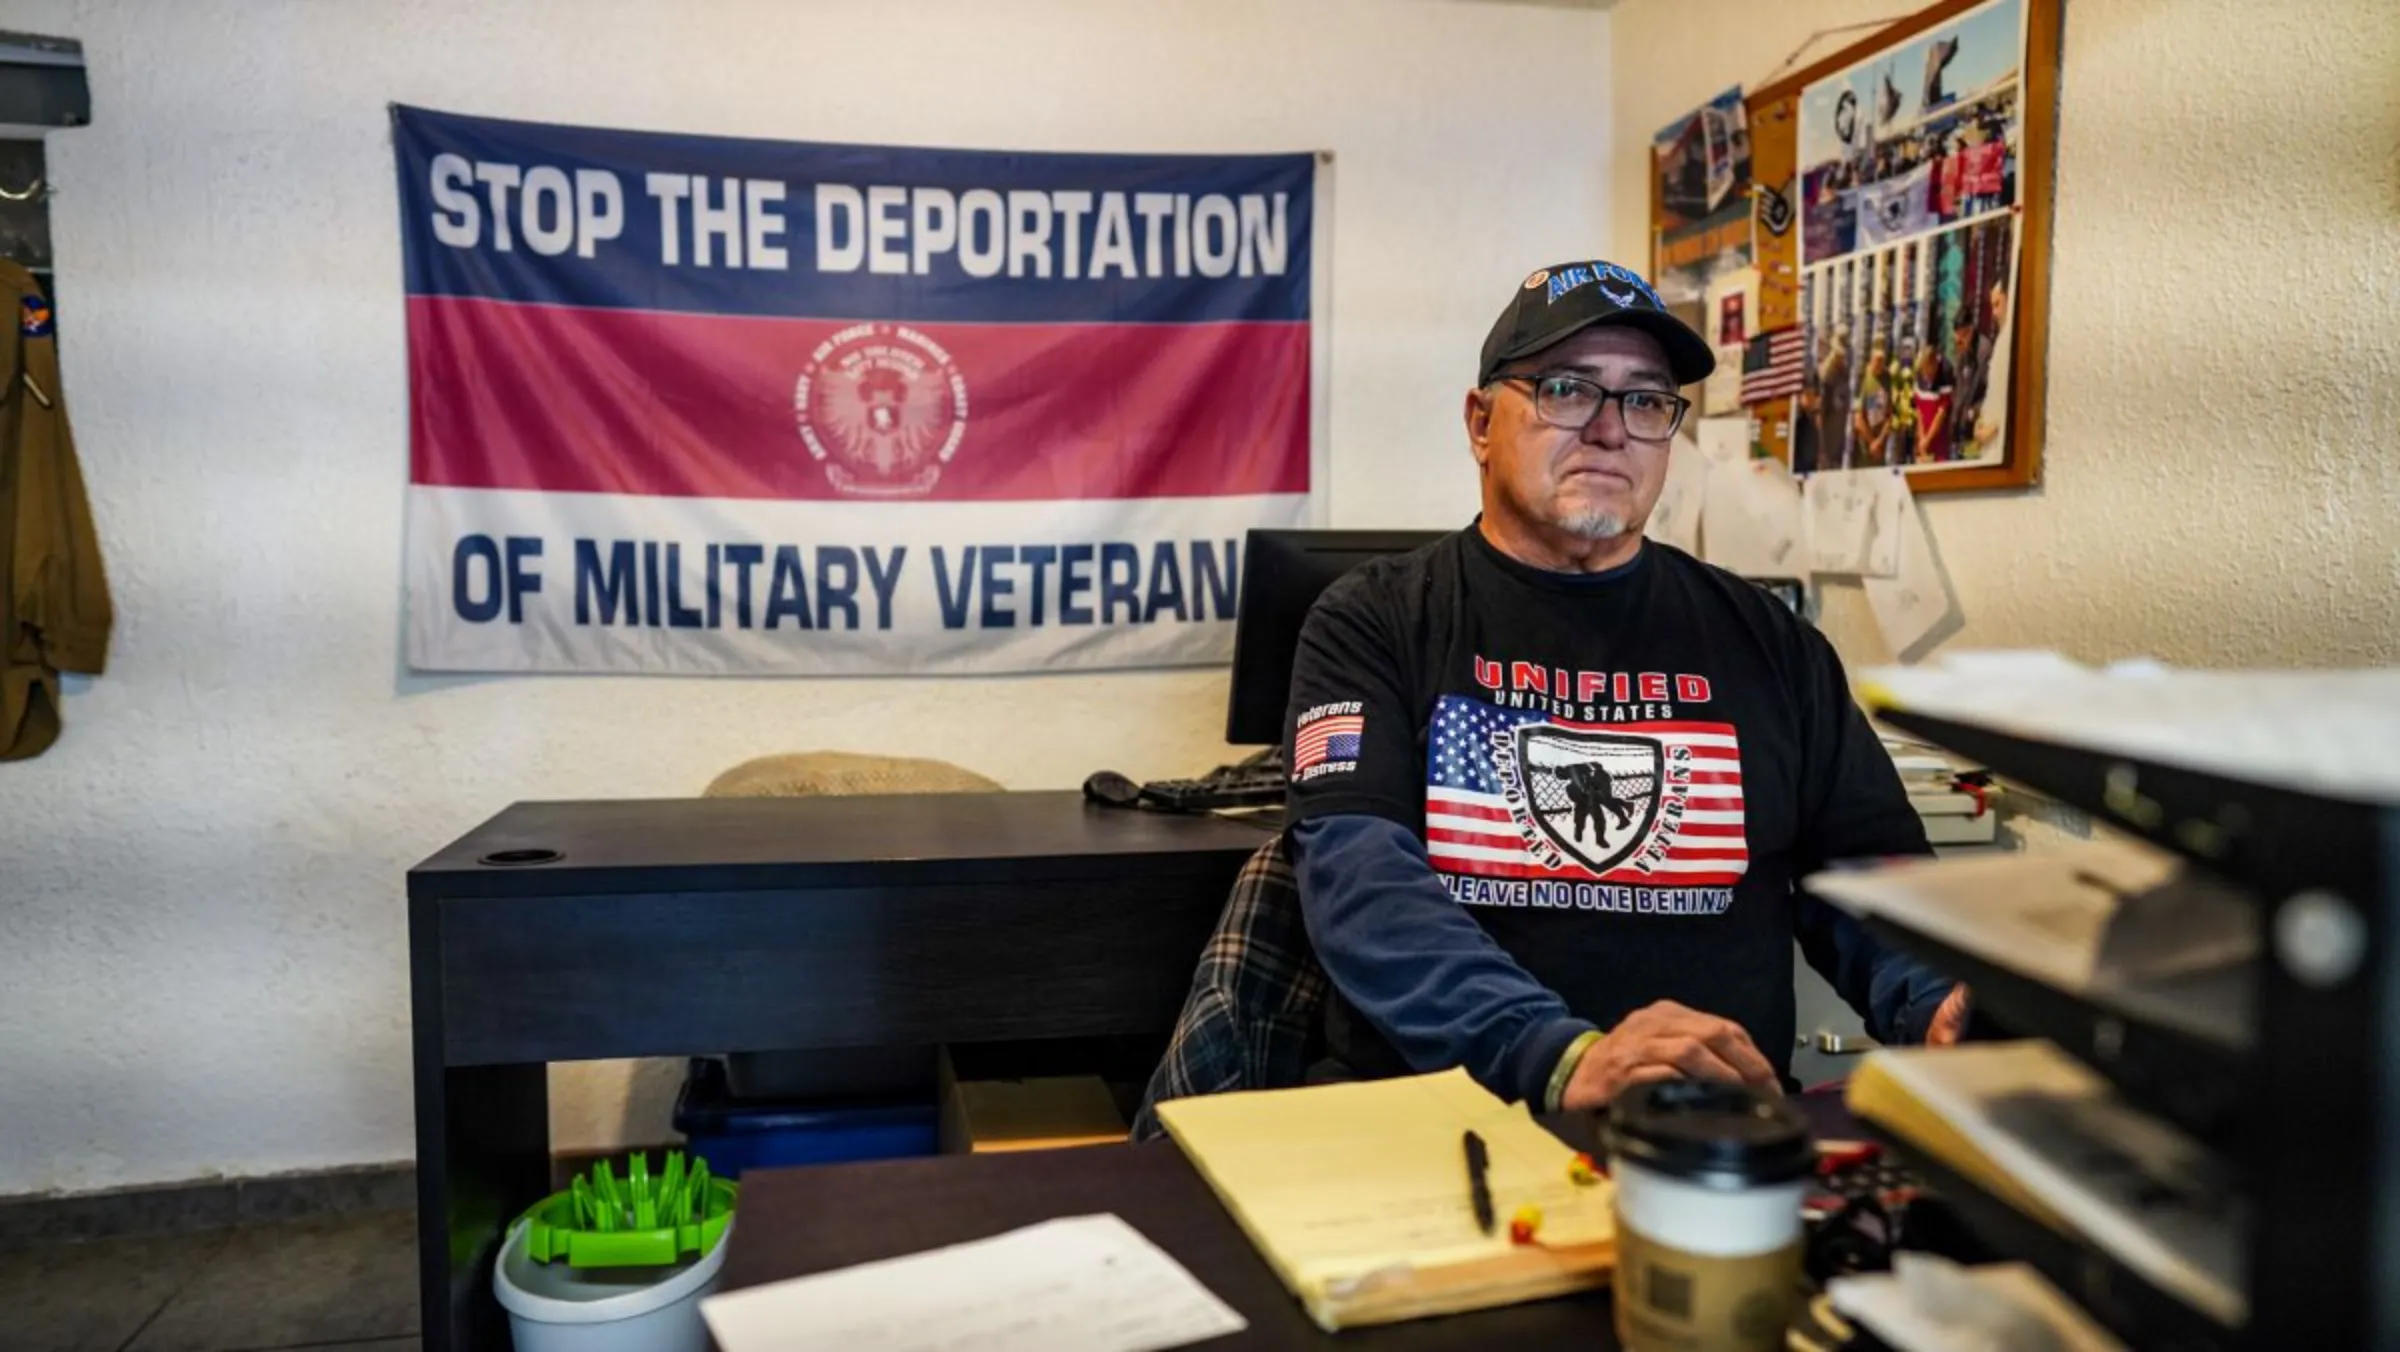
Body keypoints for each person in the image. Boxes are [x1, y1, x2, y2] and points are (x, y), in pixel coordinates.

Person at [1282, 259, 1966, 1114]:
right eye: (1568, 390)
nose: (1610, 430)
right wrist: (1559, 1057)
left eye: (1645, 401)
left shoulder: (1771, 642)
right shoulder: (1375, 619)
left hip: (1714, 1127)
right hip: (1441, 1121)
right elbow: (1364, 887)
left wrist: (1940, 1000)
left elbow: (1869, 875)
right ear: (1480, 422)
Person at [1913, 338, 1957, 463]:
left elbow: (1941, 414)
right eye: (1924, 373)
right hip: (1924, 438)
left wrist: (1928, 439)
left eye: (1929, 373)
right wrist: (1922, 438)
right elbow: (1919, 410)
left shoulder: (1946, 371)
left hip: (1940, 437)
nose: (1927, 377)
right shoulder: (1920, 373)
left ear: (1934, 363)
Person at [1852, 339, 1892, 466]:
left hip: (1881, 446)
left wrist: (1880, 441)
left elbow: (1890, 415)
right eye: (1877, 361)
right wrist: (1872, 442)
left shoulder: (1887, 378)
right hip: (1865, 446)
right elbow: (1858, 419)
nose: (1880, 364)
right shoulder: (1863, 378)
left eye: (1882, 361)